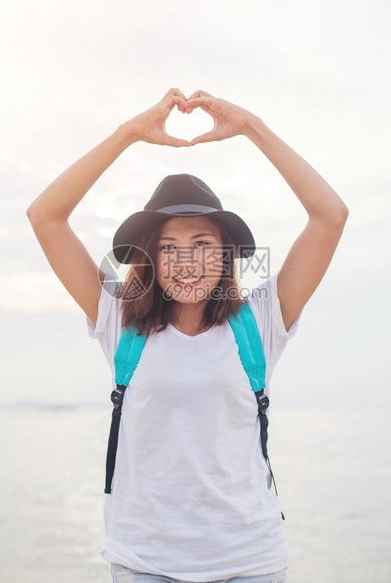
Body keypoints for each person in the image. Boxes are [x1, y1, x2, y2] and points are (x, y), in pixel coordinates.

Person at [27, 88, 348, 583]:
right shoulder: (118, 320)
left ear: (226, 255)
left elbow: (331, 215)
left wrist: (251, 127)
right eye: (169, 247)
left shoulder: (260, 320)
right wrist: (129, 134)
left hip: (251, 562)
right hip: (144, 563)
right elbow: (45, 216)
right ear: (149, 259)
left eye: (202, 244)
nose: (188, 261)